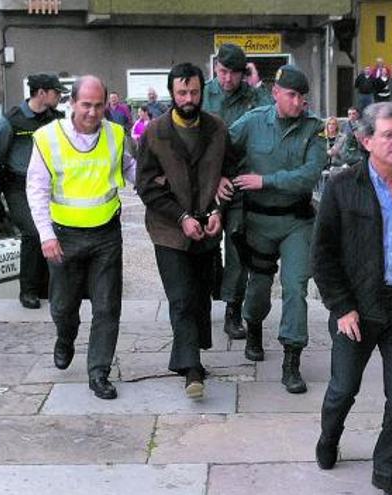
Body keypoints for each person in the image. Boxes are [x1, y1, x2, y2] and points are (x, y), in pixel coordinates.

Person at [312, 102, 392, 495]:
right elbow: (323, 255)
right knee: (342, 390)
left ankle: (386, 470)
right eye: (389, 135)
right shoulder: (341, 187)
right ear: (366, 141)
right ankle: (329, 438)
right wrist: (342, 307)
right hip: (356, 308)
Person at [27, 75, 136, 401]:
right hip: (63, 236)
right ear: (72, 103)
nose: (92, 112)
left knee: (107, 307)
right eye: (86, 104)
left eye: (98, 105)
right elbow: (36, 189)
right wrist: (46, 235)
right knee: (62, 306)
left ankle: (99, 372)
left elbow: (130, 168)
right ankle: (65, 336)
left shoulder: (116, 134)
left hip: (106, 234)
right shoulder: (47, 138)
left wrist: (158, 187)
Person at [137, 63, 234, 398]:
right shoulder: (155, 133)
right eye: (182, 93)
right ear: (171, 94)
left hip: (207, 231)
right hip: (169, 231)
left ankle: (189, 354)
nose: (189, 98)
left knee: (200, 297)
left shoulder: (218, 129)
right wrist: (180, 217)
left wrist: (219, 210)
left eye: (194, 92)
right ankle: (192, 370)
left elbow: (230, 173)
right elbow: (146, 187)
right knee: (180, 298)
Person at [228, 65, 326, 394]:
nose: (299, 103)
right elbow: (223, 148)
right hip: (257, 222)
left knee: (296, 287)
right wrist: (221, 180)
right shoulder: (253, 122)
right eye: (292, 95)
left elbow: (310, 175)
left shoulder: (313, 130)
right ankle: (253, 326)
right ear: (276, 93)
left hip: (296, 221)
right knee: (258, 287)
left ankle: (291, 360)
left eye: (303, 97)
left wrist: (264, 180)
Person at [202, 43, 274, 341]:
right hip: (208, 183)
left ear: (243, 74)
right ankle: (203, 302)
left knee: (237, 247)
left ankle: (233, 309)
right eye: (222, 72)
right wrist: (213, 177)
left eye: (233, 74)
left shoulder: (255, 96)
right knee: (205, 247)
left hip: (242, 183)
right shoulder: (203, 93)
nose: (227, 79)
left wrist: (257, 85)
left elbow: (272, 121)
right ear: (215, 68)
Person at [0, 73, 66, 309]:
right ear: (42, 93)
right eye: (56, 92)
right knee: (33, 232)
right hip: (18, 186)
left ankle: (48, 289)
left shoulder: (56, 119)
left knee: (53, 232)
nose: (60, 97)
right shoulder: (13, 120)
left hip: (48, 185)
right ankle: (28, 291)